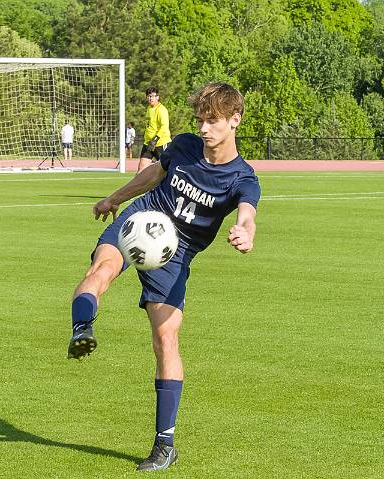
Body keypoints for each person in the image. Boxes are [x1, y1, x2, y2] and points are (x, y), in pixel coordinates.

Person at [67, 82, 260, 471]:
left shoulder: (243, 177)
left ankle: (164, 444)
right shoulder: (186, 145)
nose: (205, 129)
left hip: (175, 255)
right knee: (101, 269)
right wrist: (115, 199)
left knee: (166, 337)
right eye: (202, 120)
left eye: (214, 121)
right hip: (139, 222)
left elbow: (248, 211)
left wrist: (246, 232)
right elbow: (154, 174)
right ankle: (81, 328)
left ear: (235, 120)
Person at [137, 87, 171, 173]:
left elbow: (164, 126)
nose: (150, 98)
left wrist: (155, 139)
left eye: (152, 96)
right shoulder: (149, 108)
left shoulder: (161, 110)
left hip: (160, 143)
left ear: (157, 97)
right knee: (141, 170)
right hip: (148, 144)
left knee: (165, 171)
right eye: (148, 96)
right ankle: (141, 186)